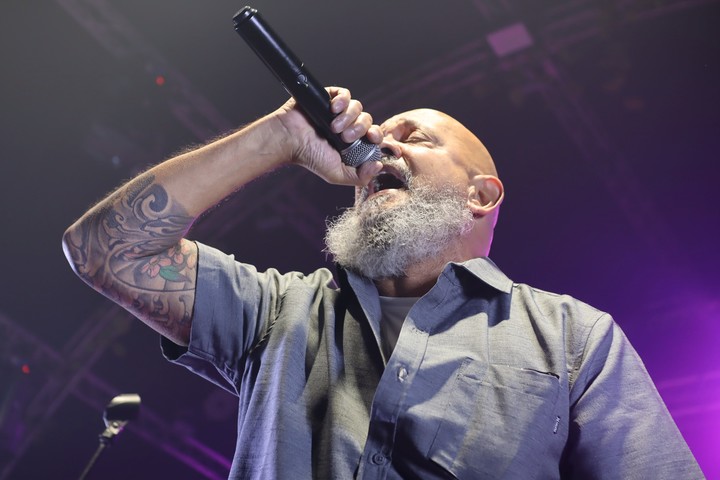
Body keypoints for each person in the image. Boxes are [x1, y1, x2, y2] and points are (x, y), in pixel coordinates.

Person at [63, 88, 703, 479]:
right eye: (373, 140)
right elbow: (103, 251)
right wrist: (279, 138)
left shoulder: (571, 339)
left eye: (411, 138)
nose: (375, 148)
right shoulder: (279, 311)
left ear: (481, 195)